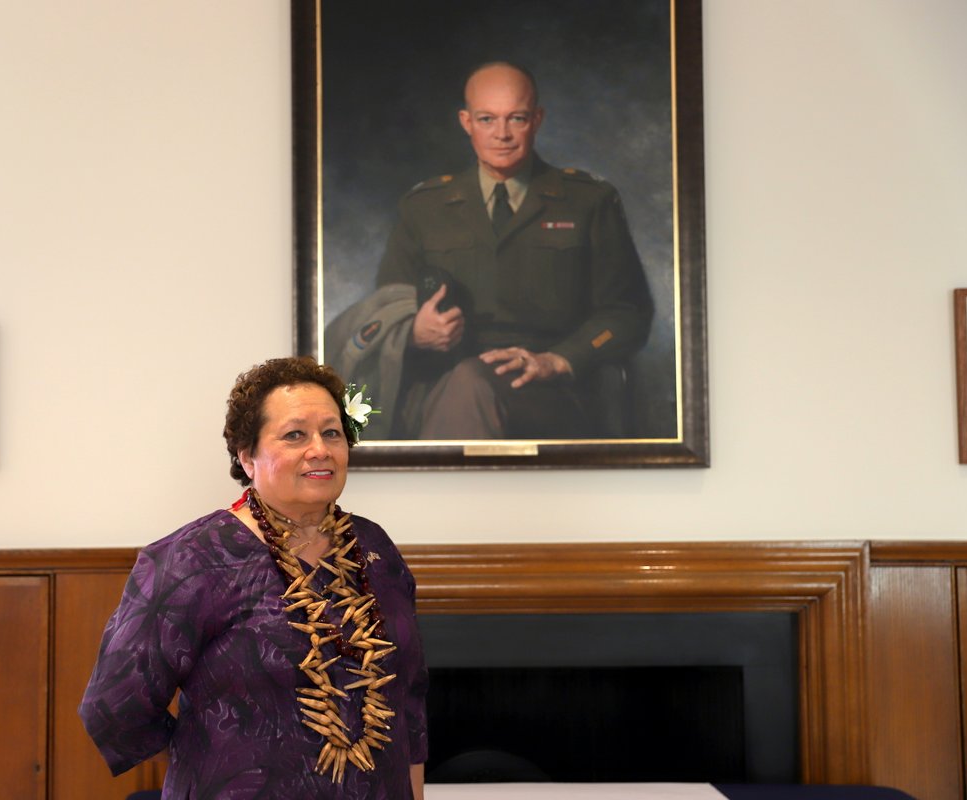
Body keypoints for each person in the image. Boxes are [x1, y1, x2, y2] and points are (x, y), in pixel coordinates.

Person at [79, 356, 429, 799]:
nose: (319, 449)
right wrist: (209, 753)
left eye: (332, 432)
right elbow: (114, 706)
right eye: (295, 435)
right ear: (248, 457)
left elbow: (409, 701)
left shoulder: (376, 549)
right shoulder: (191, 560)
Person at [326, 61, 653, 440]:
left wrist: (560, 360)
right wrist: (415, 332)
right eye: (486, 119)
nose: (502, 134)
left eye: (516, 118)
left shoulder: (588, 201)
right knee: (459, 385)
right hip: (438, 384)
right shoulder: (424, 206)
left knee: (469, 385)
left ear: (538, 119)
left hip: (551, 392)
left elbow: (628, 314)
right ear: (466, 122)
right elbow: (389, 306)